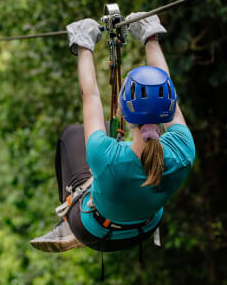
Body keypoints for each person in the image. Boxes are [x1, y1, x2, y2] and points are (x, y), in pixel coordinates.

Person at [30, 14, 195, 254]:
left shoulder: (106, 156)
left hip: (96, 231)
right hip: (145, 227)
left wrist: (85, 44)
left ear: (124, 114)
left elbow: (91, 96)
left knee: (72, 134)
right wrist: (151, 36)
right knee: (104, 137)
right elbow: (165, 86)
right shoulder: (183, 149)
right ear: (167, 109)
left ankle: (67, 224)